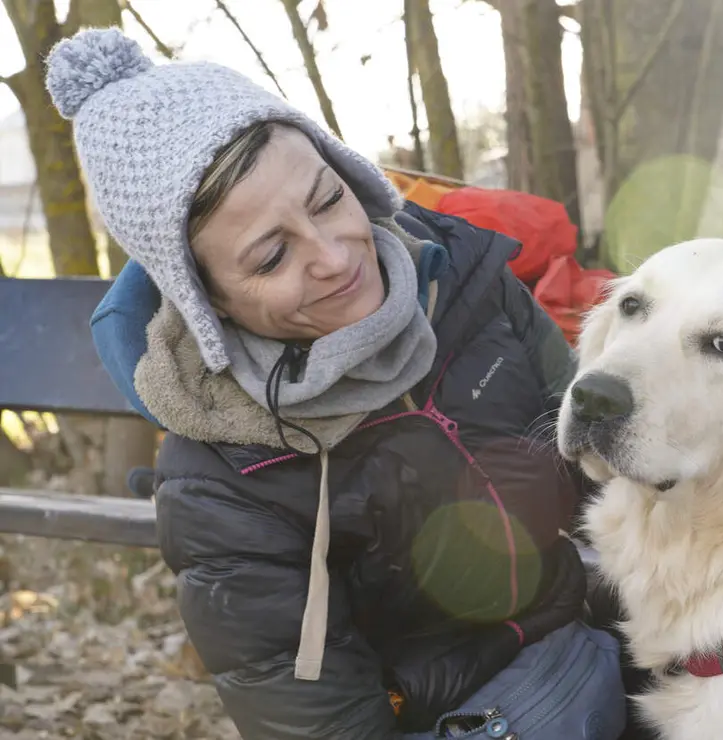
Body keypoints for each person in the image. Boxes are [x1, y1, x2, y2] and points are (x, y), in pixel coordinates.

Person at [45, 27, 614, 739]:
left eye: (325, 199)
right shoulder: (223, 478)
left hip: (589, 635)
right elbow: (313, 718)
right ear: (207, 300)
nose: (334, 255)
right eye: (272, 256)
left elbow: (607, 473)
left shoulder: (468, 283)